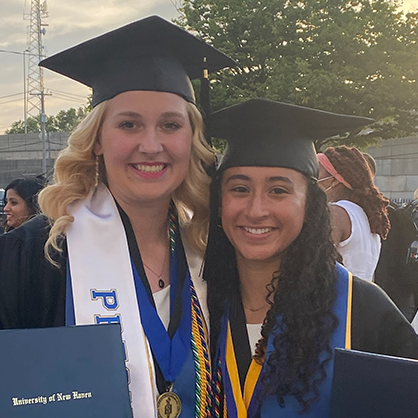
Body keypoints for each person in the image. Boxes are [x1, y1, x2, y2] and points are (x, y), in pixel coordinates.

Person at [0, 16, 235, 418]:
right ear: (96, 141)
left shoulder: (211, 247)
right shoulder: (35, 255)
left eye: (170, 125)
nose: (151, 144)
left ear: (191, 140)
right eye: (129, 124)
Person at [203, 99, 418, 418]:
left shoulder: (362, 310)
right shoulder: (196, 303)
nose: (256, 209)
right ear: (219, 201)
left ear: (310, 205)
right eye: (239, 189)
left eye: (278, 190)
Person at [317, 146, 390, 281]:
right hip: (360, 298)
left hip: (339, 298)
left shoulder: (335, 212)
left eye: (317, 172)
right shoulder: (366, 216)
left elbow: (315, 264)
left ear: (334, 179)